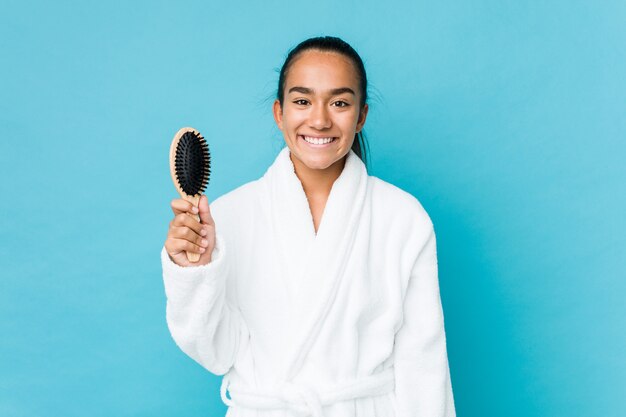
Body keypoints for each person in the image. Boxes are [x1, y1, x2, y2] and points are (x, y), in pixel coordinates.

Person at [162, 36, 456, 417]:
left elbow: (424, 366)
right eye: (302, 101)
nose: (319, 119)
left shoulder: (402, 218)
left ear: (361, 115)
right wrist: (195, 271)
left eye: (339, 103)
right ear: (279, 112)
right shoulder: (230, 215)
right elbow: (215, 351)